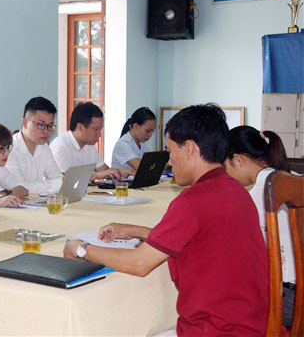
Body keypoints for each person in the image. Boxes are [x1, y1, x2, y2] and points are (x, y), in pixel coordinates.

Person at [64, 104, 268, 335]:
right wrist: (134, 230)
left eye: (170, 151)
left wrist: (80, 249)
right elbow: (201, 239)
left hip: (217, 330)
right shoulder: (236, 190)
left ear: (189, 148)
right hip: (257, 324)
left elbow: (139, 264)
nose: (169, 161)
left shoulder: (192, 201)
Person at [225, 125, 294, 327]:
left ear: (238, 159)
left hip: (287, 300)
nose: (227, 174)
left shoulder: (256, 196)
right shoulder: (295, 179)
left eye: (226, 167)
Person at [50, 102, 134, 180]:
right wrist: (97, 175)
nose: (99, 134)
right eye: (96, 129)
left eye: (100, 129)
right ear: (80, 128)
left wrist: (118, 171)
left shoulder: (89, 146)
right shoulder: (61, 146)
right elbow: (62, 179)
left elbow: (104, 170)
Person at [5, 97, 63, 194]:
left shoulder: (43, 146)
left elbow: (57, 177)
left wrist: (59, 182)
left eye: (49, 126)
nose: (46, 131)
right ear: (25, 123)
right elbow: (19, 187)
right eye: (40, 124)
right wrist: (56, 184)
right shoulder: (10, 148)